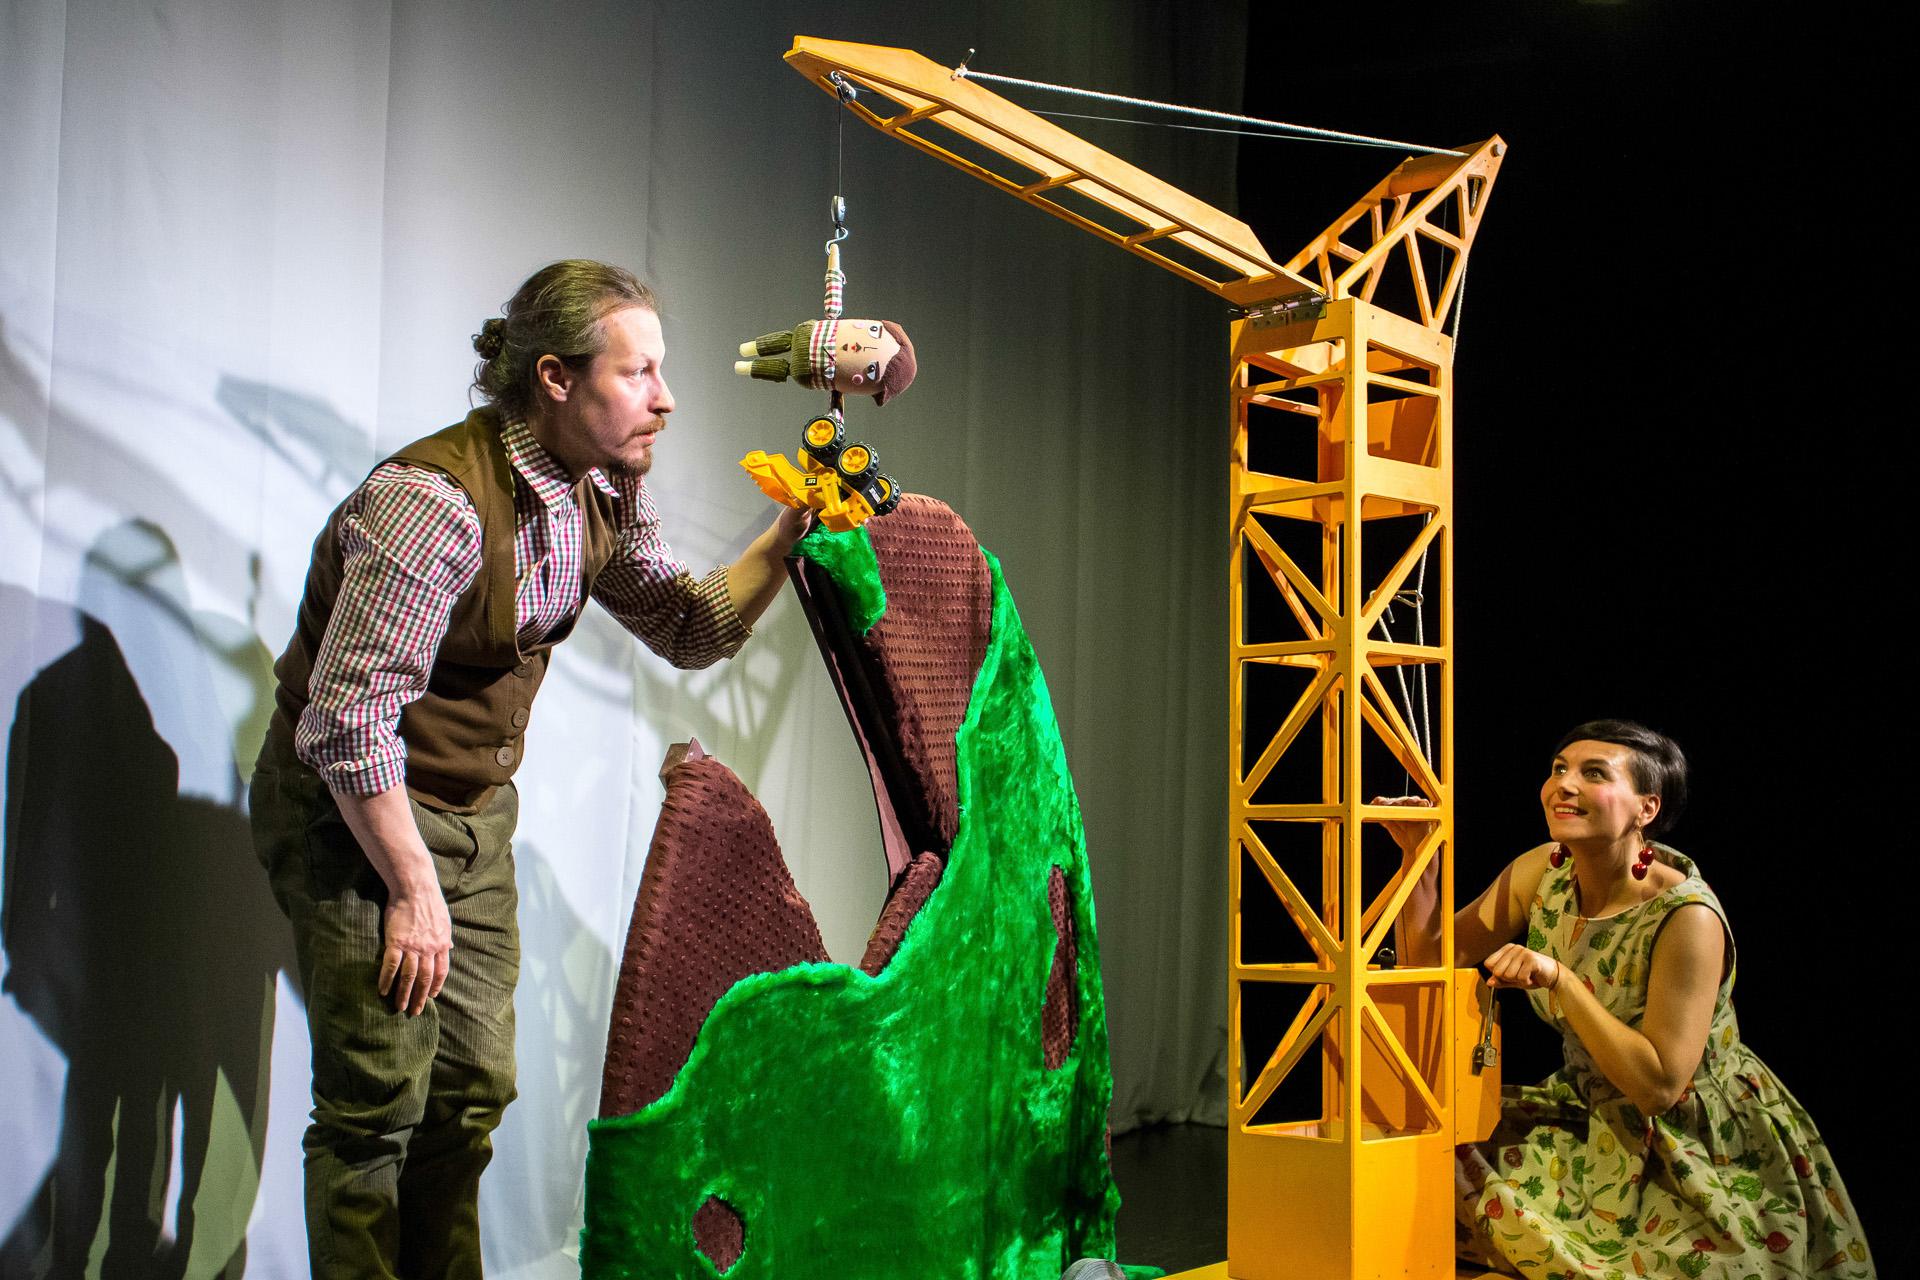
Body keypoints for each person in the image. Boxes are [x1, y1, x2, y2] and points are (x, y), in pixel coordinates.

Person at [250, 259, 808, 1278]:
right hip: (356, 811)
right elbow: (347, 723)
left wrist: (789, 535)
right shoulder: (433, 504)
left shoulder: (604, 488)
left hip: (471, 815)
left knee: (469, 1091)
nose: (666, 398)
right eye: (637, 373)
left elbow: (687, 625)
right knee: (376, 1107)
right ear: (555, 377)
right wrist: (412, 886)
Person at [1384, 720, 1873, 1278]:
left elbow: (1660, 1086)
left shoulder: (1687, 916)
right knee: (1417, 1164)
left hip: (1691, 1139)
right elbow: (1428, 960)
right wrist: (1418, 858)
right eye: (1559, 769)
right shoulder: (1544, 871)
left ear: (1647, 808)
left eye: (1594, 774)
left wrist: (1562, 980)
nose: (1564, 784)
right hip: (1585, 1113)